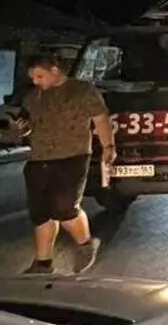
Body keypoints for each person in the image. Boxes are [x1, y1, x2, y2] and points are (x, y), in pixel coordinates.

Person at [14, 53, 115, 275]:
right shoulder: (33, 97)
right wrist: (21, 128)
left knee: (65, 208)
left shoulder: (82, 90)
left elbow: (100, 119)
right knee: (40, 212)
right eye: (32, 78)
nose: (35, 82)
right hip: (39, 158)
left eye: (39, 76)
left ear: (54, 71)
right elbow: (26, 127)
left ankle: (85, 244)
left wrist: (108, 146)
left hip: (73, 156)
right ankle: (43, 263)